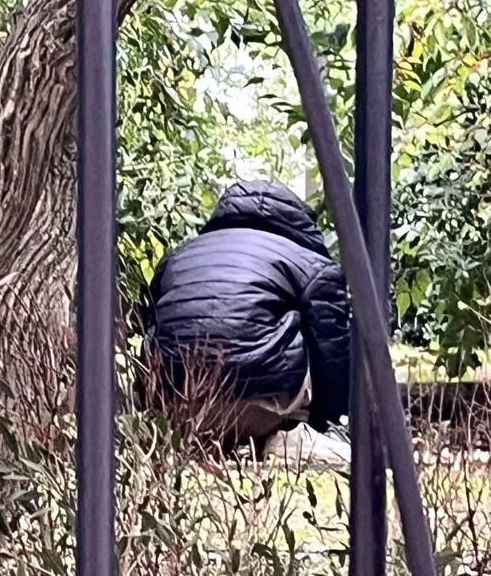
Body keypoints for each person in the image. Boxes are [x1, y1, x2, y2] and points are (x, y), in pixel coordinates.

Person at [142, 180, 351, 448]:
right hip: (259, 408)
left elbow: (150, 327)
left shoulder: (177, 257)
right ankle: (290, 432)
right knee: (323, 328)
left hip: (179, 404)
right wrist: (329, 422)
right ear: (298, 220)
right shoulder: (310, 264)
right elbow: (333, 354)